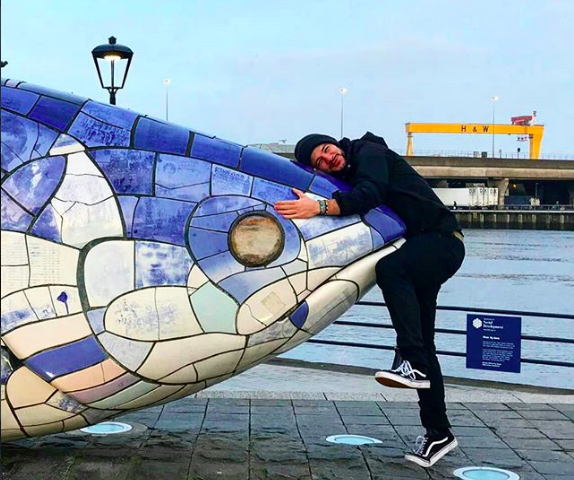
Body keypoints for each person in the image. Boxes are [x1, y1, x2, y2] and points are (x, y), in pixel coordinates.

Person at [275, 132, 465, 468]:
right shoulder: (353, 171)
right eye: (320, 162)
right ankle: (438, 432)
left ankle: (412, 360)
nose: (328, 158)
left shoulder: (369, 152)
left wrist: (319, 206)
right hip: (424, 247)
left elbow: (370, 193)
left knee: (390, 269)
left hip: (441, 241)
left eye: (327, 150)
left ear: (337, 144)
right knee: (424, 345)